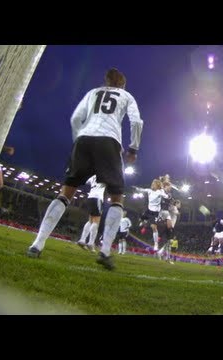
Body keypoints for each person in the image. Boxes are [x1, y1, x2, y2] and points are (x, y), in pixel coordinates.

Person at [26, 68, 143, 272]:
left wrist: (77, 141)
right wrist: (133, 148)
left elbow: (74, 119)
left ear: (105, 81)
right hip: (109, 141)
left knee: (65, 193)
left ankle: (37, 244)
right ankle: (105, 252)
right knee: (117, 198)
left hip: (84, 140)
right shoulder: (126, 96)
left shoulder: (92, 92)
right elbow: (136, 121)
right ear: (123, 85)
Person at [133, 178, 169, 251]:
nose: (152, 185)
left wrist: (164, 192)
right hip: (149, 210)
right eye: (152, 184)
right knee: (141, 219)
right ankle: (143, 223)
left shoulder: (159, 192)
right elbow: (143, 190)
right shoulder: (149, 191)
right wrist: (137, 189)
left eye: (154, 184)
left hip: (155, 213)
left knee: (153, 227)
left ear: (157, 185)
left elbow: (166, 196)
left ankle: (156, 244)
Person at [76, 175, 105, 252]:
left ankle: (82, 240)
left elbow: (86, 181)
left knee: (90, 220)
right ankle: (91, 243)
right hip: (98, 197)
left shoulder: (93, 176)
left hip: (90, 197)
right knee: (96, 221)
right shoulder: (105, 174)